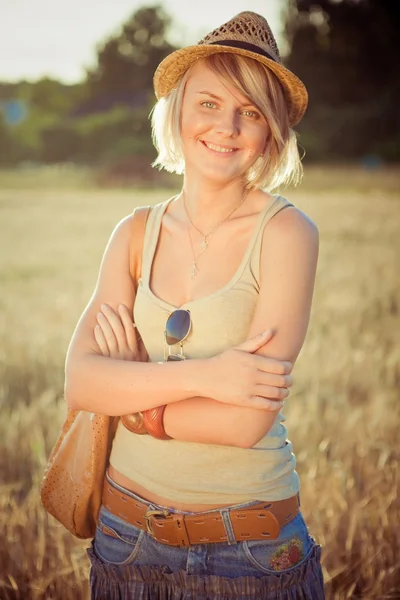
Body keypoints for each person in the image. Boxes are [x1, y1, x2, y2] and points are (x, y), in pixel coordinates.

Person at [65, 10, 324, 600]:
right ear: (178, 112)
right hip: (125, 536)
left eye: (250, 112)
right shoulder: (133, 233)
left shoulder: (287, 235)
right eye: (209, 103)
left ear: (271, 133)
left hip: (253, 550)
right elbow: (81, 382)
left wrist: (134, 399)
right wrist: (213, 375)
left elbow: (243, 421)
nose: (226, 126)